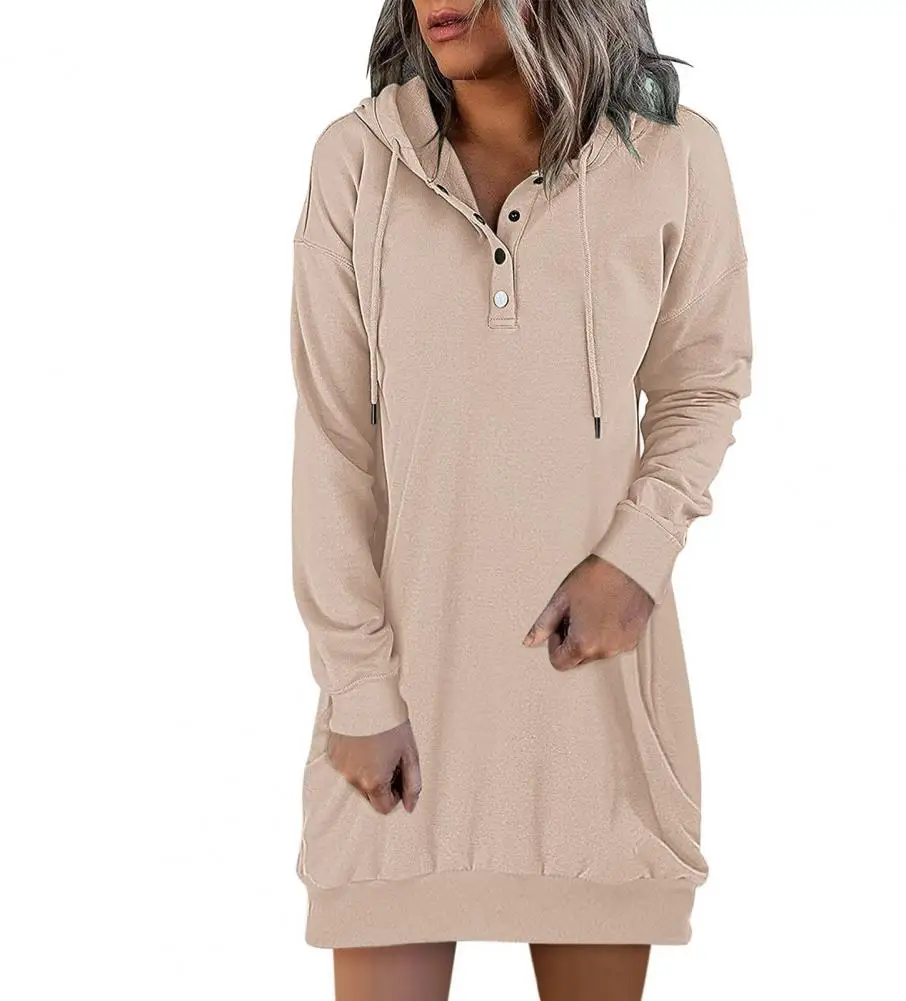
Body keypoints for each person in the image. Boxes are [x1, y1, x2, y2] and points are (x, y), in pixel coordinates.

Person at [288, 1, 752, 997]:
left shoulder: (674, 156)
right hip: (399, 722)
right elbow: (332, 443)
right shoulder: (355, 163)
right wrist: (358, 685)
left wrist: (636, 554)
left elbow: (702, 381)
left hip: (592, 711)